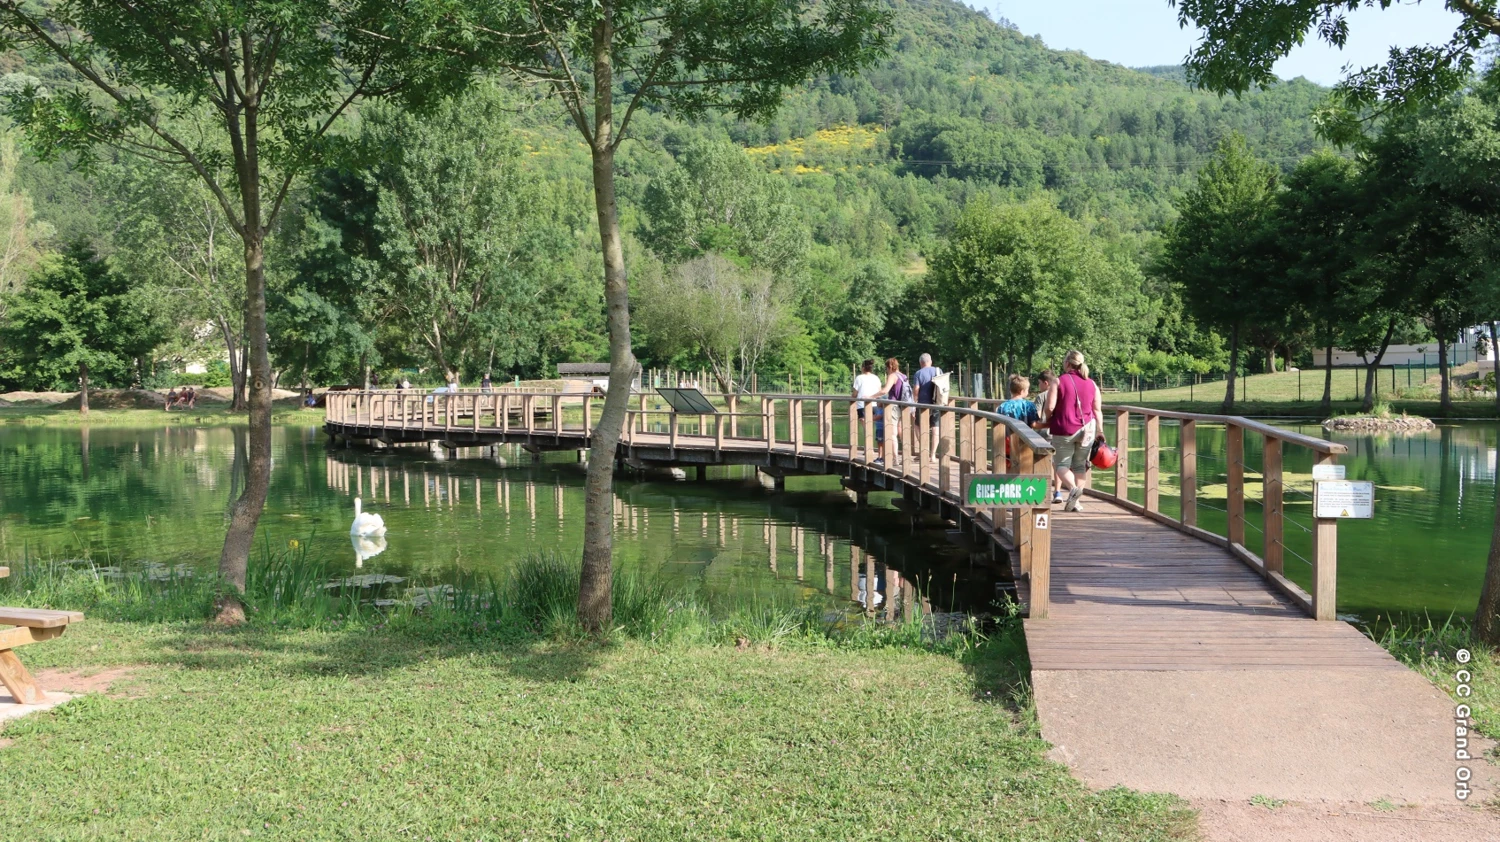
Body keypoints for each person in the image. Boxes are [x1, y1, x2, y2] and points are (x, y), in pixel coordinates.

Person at [1046, 350, 1104, 513]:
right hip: (1087, 430)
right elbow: (1097, 410)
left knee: (1061, 465)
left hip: (1064, 428)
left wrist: (1048, 417)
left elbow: (1049, 407)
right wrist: (1101, 430)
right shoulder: (1092, 384)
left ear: (1067, 363)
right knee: (1080, 465)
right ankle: (1076, 503)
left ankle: (1073, 489)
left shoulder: (1058, 381)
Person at [911, 353, 942, 456]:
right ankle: (932, 455)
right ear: (931, 361)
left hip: (922, 404)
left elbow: (916, 389)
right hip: (937, 403)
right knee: (935, 428)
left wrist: (914, 402)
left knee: (917, 426)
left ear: (921, 363)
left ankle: (925, 449)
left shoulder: (918, 373)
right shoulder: (938, 371)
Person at [851, 359, 883, 449]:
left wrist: (852, 398)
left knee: (866, 427)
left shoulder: (859, 378)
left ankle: (869, 448)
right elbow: (880, 391)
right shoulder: (876, 378)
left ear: (863, 368)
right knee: (875, 426)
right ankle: (874, 448)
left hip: (862, 405)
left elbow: (855, 393)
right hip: (875, 404)